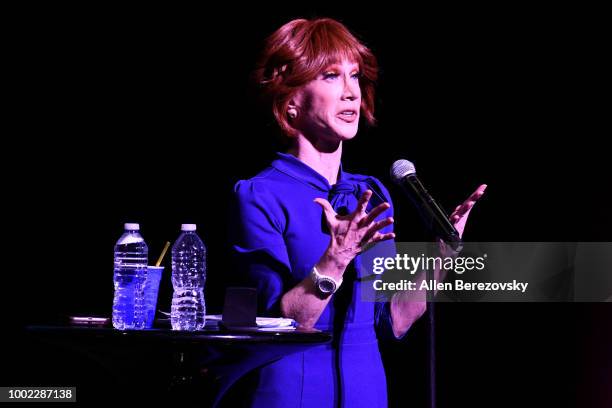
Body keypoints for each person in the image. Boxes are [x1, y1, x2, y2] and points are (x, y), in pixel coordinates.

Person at [229, 17, 486, 407]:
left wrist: (441, 260)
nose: (351, 92)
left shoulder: (370, 192)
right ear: (291, 99)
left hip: (367, 391)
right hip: (290, 393)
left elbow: (394, 320)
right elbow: (276, 328)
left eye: (354, 76)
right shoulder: (260, 195)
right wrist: (335, 260)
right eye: (331, 76)